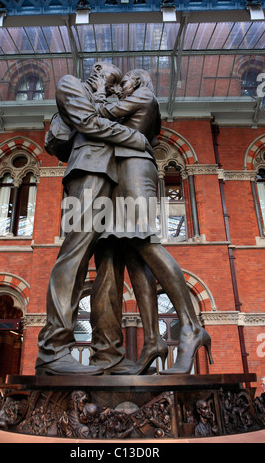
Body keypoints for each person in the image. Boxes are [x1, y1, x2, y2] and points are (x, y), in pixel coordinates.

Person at [90, 69, 213, 375]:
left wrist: (101, 90)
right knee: (134, 253)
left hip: (134, 171)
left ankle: (190, 327)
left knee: (146, 242)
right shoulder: (137, 101)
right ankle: (153, 341)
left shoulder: (144, 95)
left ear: (140, 81)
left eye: (126, 80)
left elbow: (100, 115)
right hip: (124, 172)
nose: (122, 85)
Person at [35, 62, 153, 376]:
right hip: (88, 172)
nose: (114, 89)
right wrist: (134, 139)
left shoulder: (109, 99)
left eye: (118, 86)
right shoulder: (71, 84)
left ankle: (109, 354)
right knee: (74, 255)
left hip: (116, 179)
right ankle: (52, 350)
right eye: (112, 81)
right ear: (98, 70)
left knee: (111, 267)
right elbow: (88, 122)